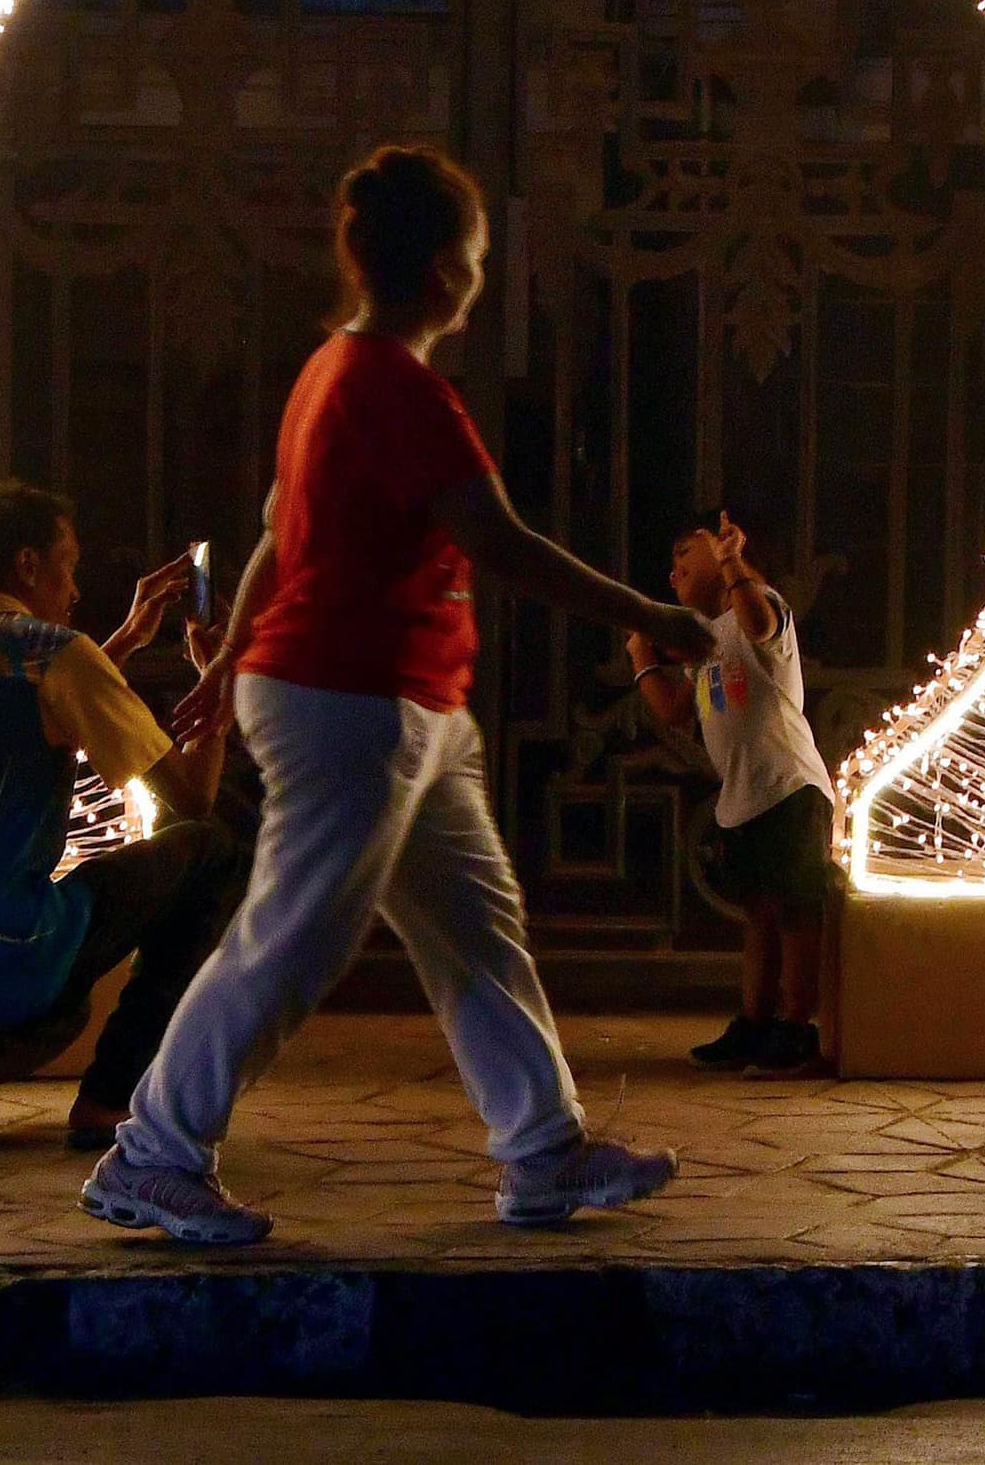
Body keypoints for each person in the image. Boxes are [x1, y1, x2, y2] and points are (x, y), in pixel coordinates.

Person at [81, 143, 717, 1246]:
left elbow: (279, 533)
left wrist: (231, 658)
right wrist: (650, 616)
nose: (479, 274)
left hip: (396, 700)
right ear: (442, 273)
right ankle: (153, 1151)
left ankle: (542, 1152)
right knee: (292, 937)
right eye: (473, 254)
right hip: (352, 695)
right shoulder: (401, 389)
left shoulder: (328, 370)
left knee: (475, 926)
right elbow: (496, 539)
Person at [0, 481, 250, 1155]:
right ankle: (111, 1098)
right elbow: (191, 797)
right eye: (68, 565)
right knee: (211, 849)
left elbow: (25, 711)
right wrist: (213, 691)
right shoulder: (50, 650)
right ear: (26, 566)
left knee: (65, 940)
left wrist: (124, 639)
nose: (74, 590)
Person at [629, 512, 837, 1076]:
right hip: (742, 797)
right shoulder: (704, 641)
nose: (673, 572)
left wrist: (732, 566)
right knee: (759, 915)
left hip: (788, 786)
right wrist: (642, 661)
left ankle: (796, 1030)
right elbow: (675, 713)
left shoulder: (757, 603)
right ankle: (755, 1022)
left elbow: (760, 624)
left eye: (684, 556)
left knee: (796, 911)